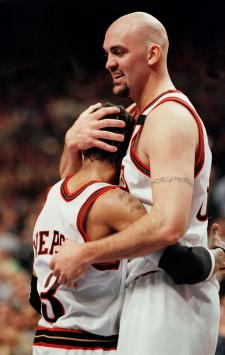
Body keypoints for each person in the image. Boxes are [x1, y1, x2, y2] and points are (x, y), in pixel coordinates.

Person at [50, 12, 221, 354]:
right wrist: (71, 144)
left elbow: (169, 225)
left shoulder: (169, 118)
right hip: (145, 283)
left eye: (118, 52)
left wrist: (86, 252)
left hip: (172, 290)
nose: (109, 63)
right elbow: (77, 198)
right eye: (107, 54)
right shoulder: (136, 118)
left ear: (152, 54)